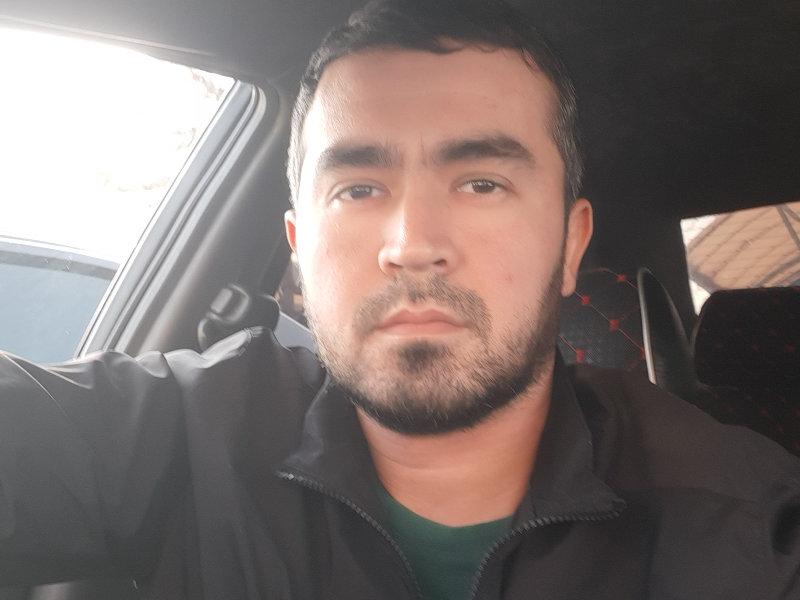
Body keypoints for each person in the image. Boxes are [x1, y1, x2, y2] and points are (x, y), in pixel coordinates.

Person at [1, 0, 799, 598]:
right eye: (357, 189)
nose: (413, 242)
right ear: (298, 252)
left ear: (569, 245)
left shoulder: (743, 520)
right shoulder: (183, 432)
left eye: (482, 183)